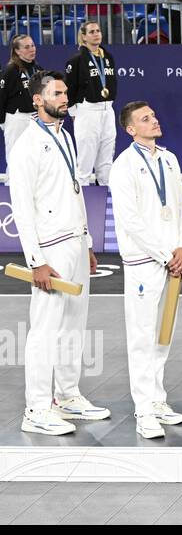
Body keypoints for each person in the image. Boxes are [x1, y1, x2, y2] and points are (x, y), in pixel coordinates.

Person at [11, 71, 106, 435]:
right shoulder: (27, 145)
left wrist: (87, 243)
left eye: (66, 92)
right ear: (37, 99)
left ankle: (66, 396)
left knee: (73, 326)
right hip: (50, 248)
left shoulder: (64, 135)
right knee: (45, 329)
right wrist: (36, 261)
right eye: (58, 93)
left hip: (74, 243)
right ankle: (36, 408)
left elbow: (73, 191)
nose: (65, 98)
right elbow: (22, 207)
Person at [108, 101, 182, 439]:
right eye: (145, 119)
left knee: (162, 334)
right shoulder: (123, 166)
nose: (154, 121)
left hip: (173, 259)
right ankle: (143, 411)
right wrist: (164, 253)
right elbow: (130, 221)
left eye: (154, 115)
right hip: (145, 262)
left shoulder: (169, 159)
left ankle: (157, 400)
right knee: (142, 337)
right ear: (130, 129)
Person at [63, 21, 118, 186]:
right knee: (86, 156)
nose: (96, 34)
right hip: (87, 111)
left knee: (107, 154)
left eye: (98, 30)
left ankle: (105, 187)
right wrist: (73, 113)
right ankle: (82, 192)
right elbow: (70, 89)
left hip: (108, 109)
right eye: (92, 31)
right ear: (84, 37)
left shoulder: (107, 56)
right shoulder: (76, 60)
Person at [1, 34, 42, 164]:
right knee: (15, 156)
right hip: (17, 119)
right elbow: (1, 96)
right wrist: (2, 122)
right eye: (26, 47)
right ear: (17, 51)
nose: (32, 49)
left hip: (35, 117)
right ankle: (12, 183)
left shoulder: (38, 69)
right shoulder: (10, 70)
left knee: (34, 157)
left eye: (33, 45)